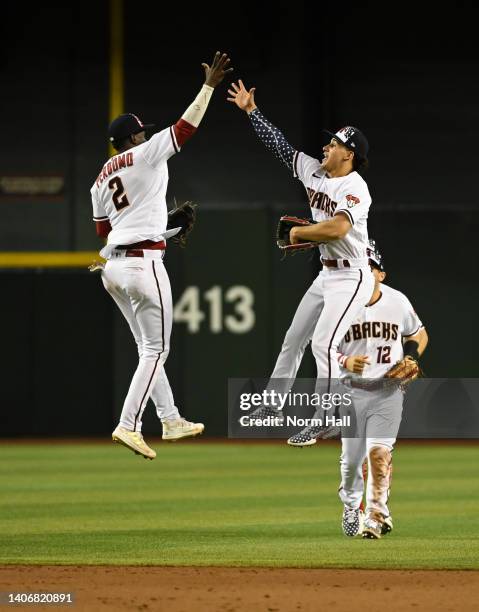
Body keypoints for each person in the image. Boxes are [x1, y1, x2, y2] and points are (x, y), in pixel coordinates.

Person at [90, 52, 233, 460]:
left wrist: (164, 227)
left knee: (145, 349)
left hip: (112, 266)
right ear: (134, 138)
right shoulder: (147, 152)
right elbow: (186, 127)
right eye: (141, 133)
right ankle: (129, 424)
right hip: (142, 265)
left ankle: (170, 419)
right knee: (157, 351)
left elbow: (105, 231)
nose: (145, 136)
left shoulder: (100, 178)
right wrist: (208, 87)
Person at [227, 79, 375, 433]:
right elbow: (279, 146)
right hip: (326, 274)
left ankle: (325, 420)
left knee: (324, 343)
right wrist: (251, 110)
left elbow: (338, 229)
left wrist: (298, 233)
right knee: (294, 339)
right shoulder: (313, 170)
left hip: (353, 276)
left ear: (349, 154)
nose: (326, 146)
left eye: (335, 143)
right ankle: (274, 406)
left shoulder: (356, 187)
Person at [336, 244, 428, 538]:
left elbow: (418, 333)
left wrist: (411, 356)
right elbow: (321, 348)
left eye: (370, 267)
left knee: (378, 453)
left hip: (388, 391)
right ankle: (352, 505)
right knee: (351, 463)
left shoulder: (397, 301)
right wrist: (345, 360)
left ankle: (376, 516)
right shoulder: (338, 305)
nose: (363, 273)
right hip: (350, 391)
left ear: (381, 274)